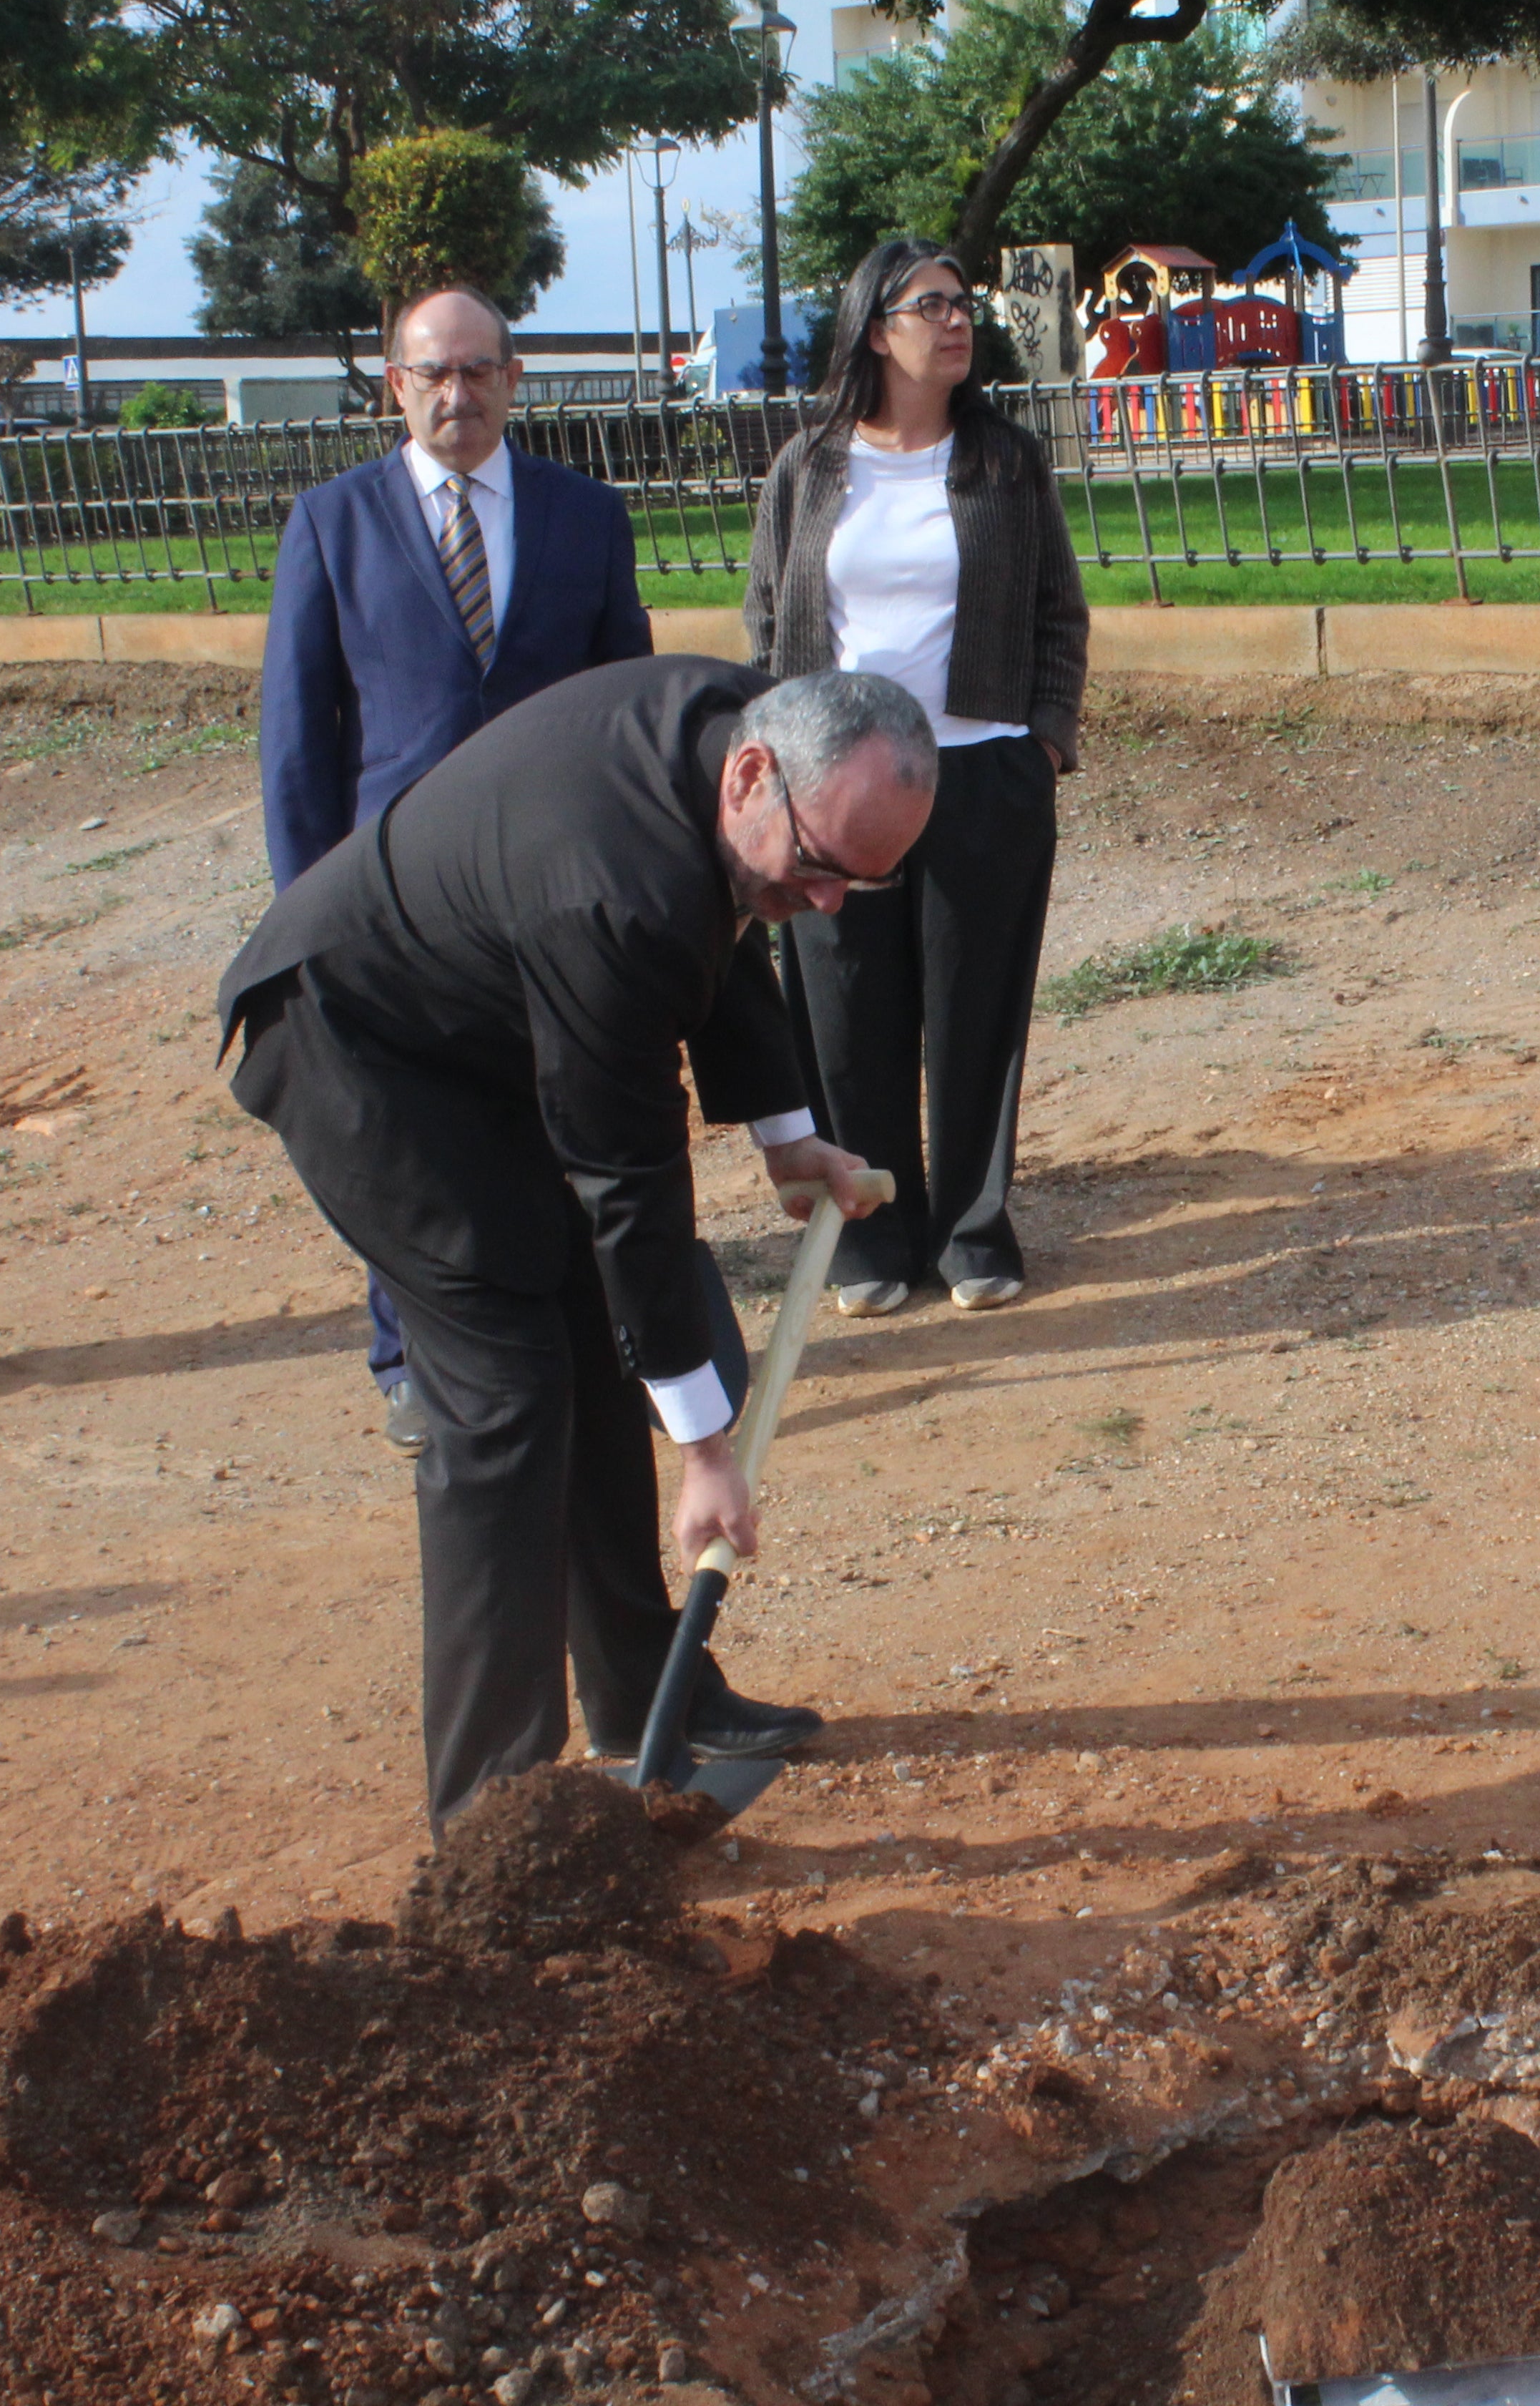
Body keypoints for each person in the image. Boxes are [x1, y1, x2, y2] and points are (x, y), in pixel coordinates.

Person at [218, 660, 934, 1829]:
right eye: (821, 869)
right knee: (505, 1395)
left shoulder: (750, 736)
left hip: (487, 1029)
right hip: (360, 1053)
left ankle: (647, 1695)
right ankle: (497, 1819)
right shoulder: (611, 891)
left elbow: (734, 921)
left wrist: (788, 1136)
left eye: (867, 880)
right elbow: (632, 1193)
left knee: (599, 1357)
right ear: (754, 777)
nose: (831, 906)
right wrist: (706, 1452)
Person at [258, 285, 658, 1457]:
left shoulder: (585, 516)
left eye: (480, 370)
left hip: (551, 893)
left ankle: (590, 1343)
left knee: (566, 1118)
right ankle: (411, 1357)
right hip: (392, 906)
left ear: (514, 381)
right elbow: (298, 738)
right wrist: (310, 912)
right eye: (433, 372)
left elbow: (621, 708)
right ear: (395, 386)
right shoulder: (334, 523)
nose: (458, 392)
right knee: (413, 1140)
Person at [744, 236, 1090, 1318]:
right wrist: (779, 761)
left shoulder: (1005, 460)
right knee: (846, 1009)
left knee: (976, 1012)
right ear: (874, 327)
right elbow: (767, 617)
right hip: (834, 790)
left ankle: (974, 1230)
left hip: (982, 776)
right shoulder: (809, 465)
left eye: (963, 303)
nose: (957, 321)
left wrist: (1041, 742)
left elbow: (1057, 614)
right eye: (931, 303)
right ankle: (870, 1237)